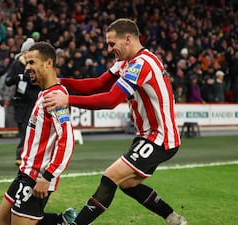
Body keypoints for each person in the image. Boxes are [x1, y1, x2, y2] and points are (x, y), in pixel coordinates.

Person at [43, 18, 188, 225]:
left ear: (128, 39)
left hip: (160, 138)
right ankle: (173, 219)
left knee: (110, 176)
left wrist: (67, 100)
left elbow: (111, 100)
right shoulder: (127, 62)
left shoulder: (141, 64)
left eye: (112, 44)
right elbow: (98, 84)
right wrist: (59, 81)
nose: (109, 49)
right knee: (128, 183)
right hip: (148, 136)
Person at [0, 42, 76, 225]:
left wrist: (47, 177)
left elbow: (67, 139)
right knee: (3, 219)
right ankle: (62, 221)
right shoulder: (43, 92)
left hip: (38, 175)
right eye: (26, 62)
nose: (27, 67)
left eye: (32, 62)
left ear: (48, 63)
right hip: (25, 171)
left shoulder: (54, 97)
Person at [5, 37, 40, 166]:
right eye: (25, 52)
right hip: (20, 100)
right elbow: (8, 80)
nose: (26, 55)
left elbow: (37, 80)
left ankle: (22, 156)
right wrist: (17, 78)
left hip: (32, 101)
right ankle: (27, 154)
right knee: (21, 127)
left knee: (27, 128)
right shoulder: (16, 64)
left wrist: (23, 77)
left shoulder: (36, 64)